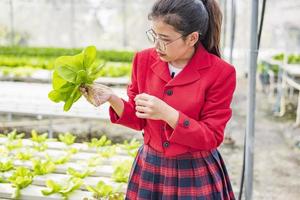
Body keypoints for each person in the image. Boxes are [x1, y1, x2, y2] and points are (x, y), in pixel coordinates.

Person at [80, 0, 236, 199]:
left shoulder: (221, 72)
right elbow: (138, 119)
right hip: (151, 167)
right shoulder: (143, 60)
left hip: (195, 171)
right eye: (154, 35)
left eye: (164, 38)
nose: (156, 45)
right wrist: (111, 98)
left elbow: (212, 136)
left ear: (192, 38)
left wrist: (168, 114)